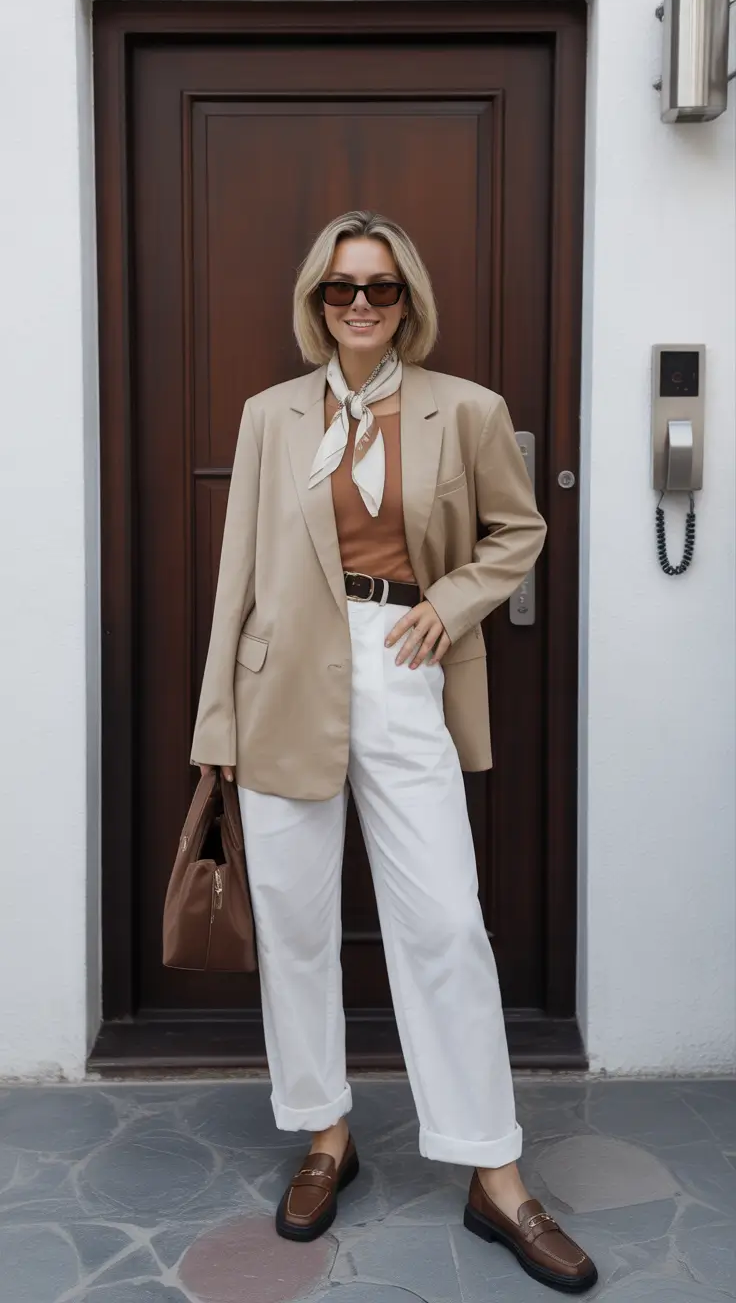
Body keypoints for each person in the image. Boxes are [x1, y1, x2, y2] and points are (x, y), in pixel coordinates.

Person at [191, 210, 597, 1293]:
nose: (359, 304)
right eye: (339, 288)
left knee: (446, 925)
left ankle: (493, 1172)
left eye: (378, 288)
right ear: (314, 302)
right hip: (280, 681)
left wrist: (452, 603)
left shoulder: (464, 410)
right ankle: (326, 1134)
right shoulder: (270, 415)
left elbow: (518, 533)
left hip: (405, 666)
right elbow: (238, 573)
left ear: (408, 300)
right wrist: (214, 726)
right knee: (294, 922)